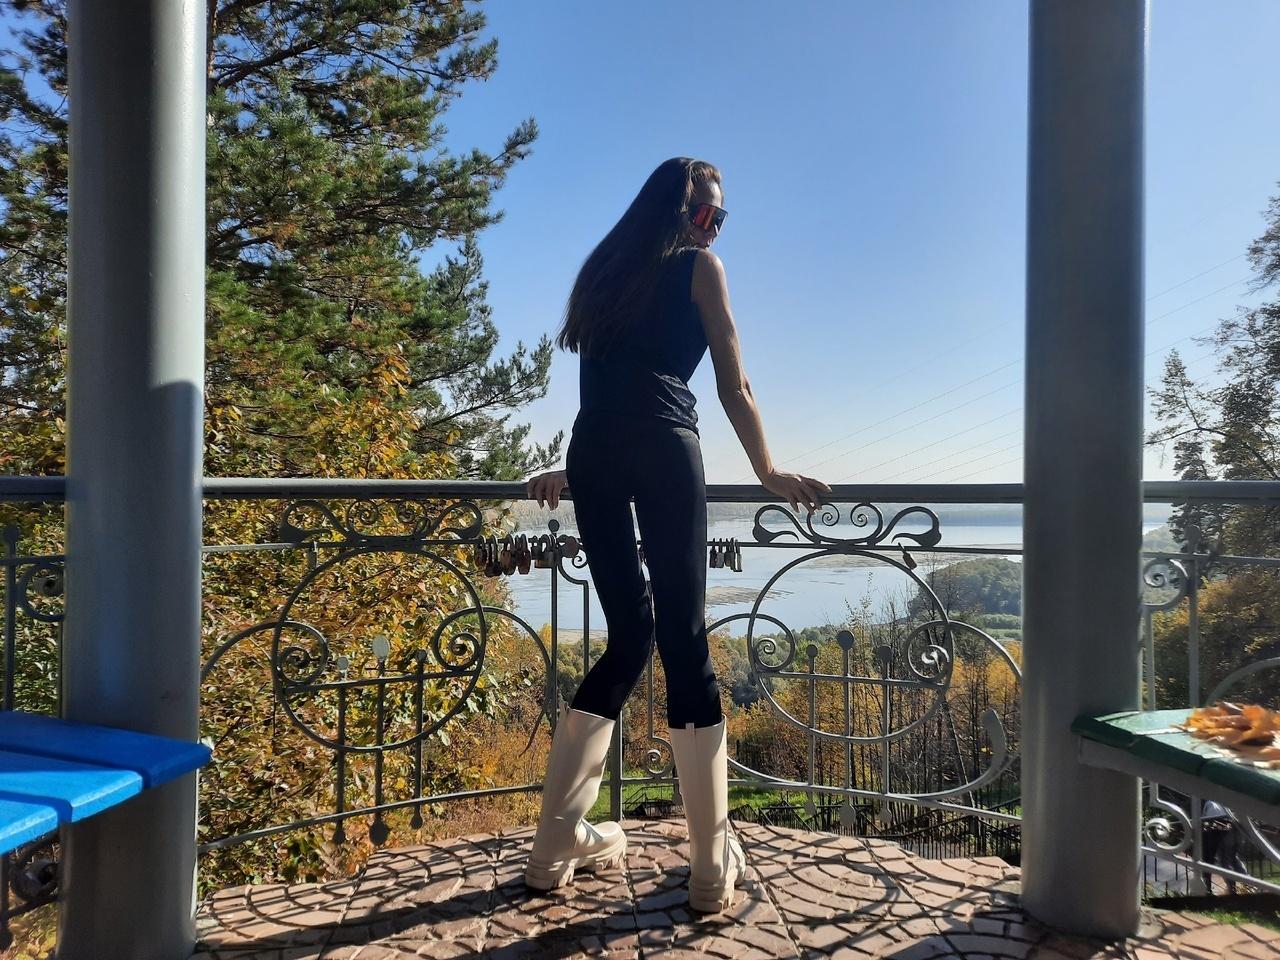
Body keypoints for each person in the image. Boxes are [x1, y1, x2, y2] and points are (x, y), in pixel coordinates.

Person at [521, 157, 831, 911]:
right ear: (674, 211)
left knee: (629, 638)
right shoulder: (700, 270)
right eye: (703, 215)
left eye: (719, 220)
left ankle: (555, 847)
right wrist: (767, 470)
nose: (713, 229)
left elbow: (604, 386)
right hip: (662, 449)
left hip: (594, 454)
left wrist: (573, 467)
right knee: (685, 642)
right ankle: (709, 866)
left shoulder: (602, 270)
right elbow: (734, 382)